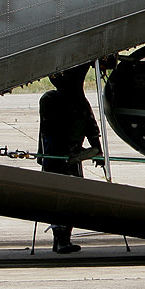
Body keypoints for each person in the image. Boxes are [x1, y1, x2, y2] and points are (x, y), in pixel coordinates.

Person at [37, 64, 103, 254]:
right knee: (57, 198)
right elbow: (49, 132)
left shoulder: (80, 102)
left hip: (72, 158)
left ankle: (65, 237)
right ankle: (59, 239)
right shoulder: (50, 100)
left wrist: (96, 150)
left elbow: (91, 127)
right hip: (56, 158)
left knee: (72, 198)